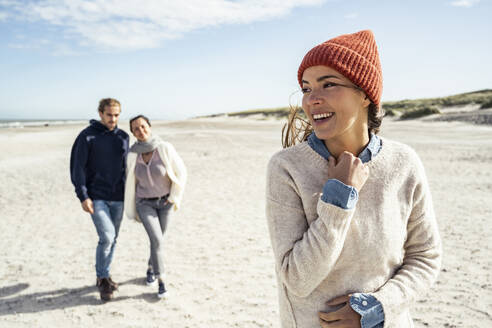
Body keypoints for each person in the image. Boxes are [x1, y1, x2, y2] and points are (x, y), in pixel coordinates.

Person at [266, 30, 442, 327]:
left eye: (328, 84)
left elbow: (425, 257)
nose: (312, 100)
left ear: (365, 95)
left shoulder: (404, 163)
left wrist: (376, 307)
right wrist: (339, 196)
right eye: (307, 89)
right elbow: (297, 279)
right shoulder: (287, 168)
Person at [70, 98, 129, 301]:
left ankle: (104, 274)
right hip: (97, 197)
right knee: (107, 237)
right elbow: (77, 168)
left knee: (113, 239)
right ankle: (103, 279)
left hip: (119, 198)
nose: (113, 119)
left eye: (116, 115)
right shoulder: (86, 137)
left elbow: (128, 167)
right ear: (100, 113)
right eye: (109, 114)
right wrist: (83, 196)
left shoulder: (123, 137)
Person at [124, 115, 187, 298]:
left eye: (143, 126)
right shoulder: (132, 154)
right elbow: (128, 180)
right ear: (133, 132)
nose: (141, 131)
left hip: (165, 202)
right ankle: (162, 281)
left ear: (149, 127)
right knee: (157, 240)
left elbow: (181, 172)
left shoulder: (164, 148)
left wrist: (174, 197)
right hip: (144, 204)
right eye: (136, 129)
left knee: (157, 240)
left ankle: (151, 267)